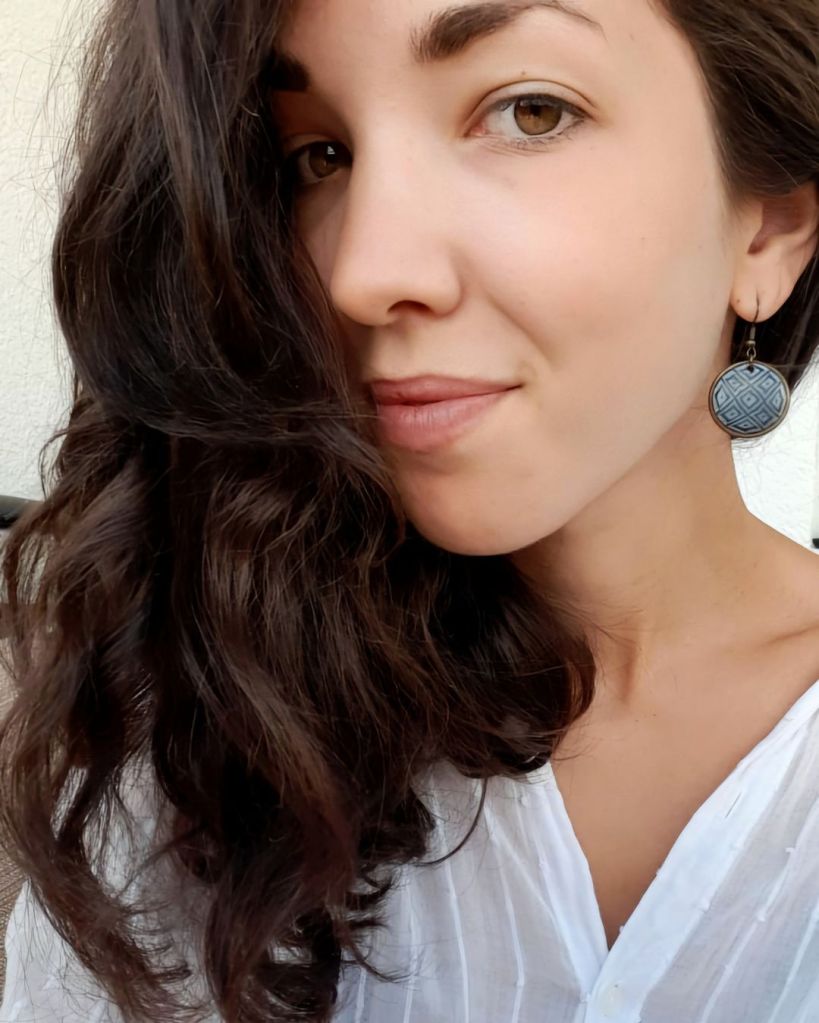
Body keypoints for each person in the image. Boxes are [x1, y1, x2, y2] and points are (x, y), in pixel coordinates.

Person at [1, 0, 818, 1019]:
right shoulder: (210, 716)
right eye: (316, 157)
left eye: (527, 112)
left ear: (770, 226)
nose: (362, 274)